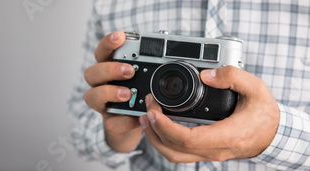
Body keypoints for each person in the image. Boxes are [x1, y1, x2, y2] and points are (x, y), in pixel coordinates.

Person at [69, 0, 310, 170]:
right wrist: (114, 132)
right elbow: (79, 121)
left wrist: (274, 135)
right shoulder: (110, 3)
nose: (173, 85)